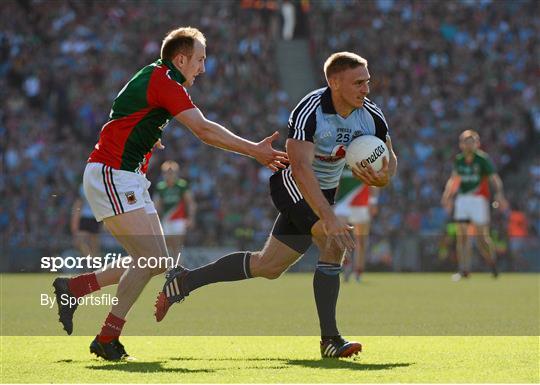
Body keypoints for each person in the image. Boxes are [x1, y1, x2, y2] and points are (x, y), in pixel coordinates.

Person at [52, 27, 287, 360]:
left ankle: (76, 291)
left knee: (156, 261)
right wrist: (255, 151)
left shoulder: (155, 75)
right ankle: (104, 335)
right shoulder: (165, 81)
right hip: (113, 174)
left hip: (125, 175)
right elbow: (204, 130)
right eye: (200, 60)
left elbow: (123, 112)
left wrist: (147, 132)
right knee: (149, 259)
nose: (203, 69)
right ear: (181, 58)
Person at [155, 52, 398, 358]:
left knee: (267, 266)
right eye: (358, 82)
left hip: (324, 192)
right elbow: (300, 168)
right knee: (333, 240)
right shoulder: (310, 111)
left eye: (368, 82)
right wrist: (329, 217)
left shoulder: (371, 114)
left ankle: (186, 280)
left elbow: (390, 160)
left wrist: (383, 178)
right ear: (334, 82)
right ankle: (331, 340)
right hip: (293, 184)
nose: (366, 89)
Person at [441, 130, 508, 281]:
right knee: (462, 236)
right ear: (461, 144)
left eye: (472, 141)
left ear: (477, 143)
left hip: (479, 200)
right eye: (466, 141)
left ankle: (493, 264)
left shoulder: (482, 159)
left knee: (481, 238)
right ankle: (464, 269)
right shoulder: (459, 160)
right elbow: (454, 179)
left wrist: (499, 194)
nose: (469, 144)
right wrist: (447, 196)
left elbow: (494, 178)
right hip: (463, 200)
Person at [334, 171, 378, 282]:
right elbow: (335, 180)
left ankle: (358, 272)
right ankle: (346, 264)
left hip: (362, 204)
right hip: (343, 203)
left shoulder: (367, 156)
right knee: (340, 236)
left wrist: (373, 201)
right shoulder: (341, 157)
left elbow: (375, 179)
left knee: (361, 241)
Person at [154, 160, 196, 261]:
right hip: (166, 219)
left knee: (177, 244)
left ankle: (178, 267)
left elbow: (190, 203)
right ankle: (170, 267)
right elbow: (157, 205)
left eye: (172, 172)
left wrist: (191, 218)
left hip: (179, 219)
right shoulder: (161, 187)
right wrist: (155, 221)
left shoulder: (181, 185)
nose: (169, 175)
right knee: (167, 245)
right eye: (167, 172)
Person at [71, 183, 101, 260]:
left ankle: (92, 261)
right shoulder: (93, 185)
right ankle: (92, 260)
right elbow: (78, 205)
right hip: (91, 217)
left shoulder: (85, 186)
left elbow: (78, 205)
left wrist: (74, 224)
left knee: (90, 244)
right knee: (85, 243)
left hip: (90, 217)